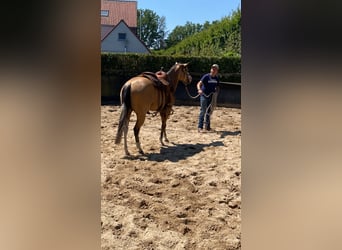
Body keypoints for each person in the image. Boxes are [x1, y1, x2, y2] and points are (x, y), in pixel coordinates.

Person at [197, 64, 220, 132]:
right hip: (204, 95)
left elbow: (218, 87)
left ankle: (207, 127)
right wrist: (199, 89)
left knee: (209, 111)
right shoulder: (206, 76)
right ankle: (200, 127)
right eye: (212, 68)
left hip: (211, 97)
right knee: (203, 110)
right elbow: (199, 83)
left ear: (217, 71)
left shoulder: (216, 78)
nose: (213, 70)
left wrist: (216, 93)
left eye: (215, 69)